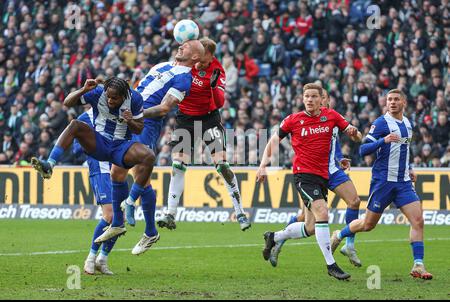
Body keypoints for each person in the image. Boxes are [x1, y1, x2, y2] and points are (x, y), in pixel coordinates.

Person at [95, 39, 205, 256]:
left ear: (195, 57)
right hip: (128, 118)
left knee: (138, 170)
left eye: (187, 45)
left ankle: (130, 208)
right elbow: (139, 92)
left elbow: (164, 108)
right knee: (119, 171)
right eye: (181, 43)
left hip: (146, 122)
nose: (181, 45)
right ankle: (143, 227)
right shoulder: (160, 66)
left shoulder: (185, 79)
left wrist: (138, 115)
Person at [31, 76, 155, 250]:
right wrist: (83, 90)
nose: (110, 100)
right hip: (99, 143)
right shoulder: (98, 92)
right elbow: (67, 103)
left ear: (124, 95)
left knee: (149, 156)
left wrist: (130, 120)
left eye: (115, 98)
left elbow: (139, 128)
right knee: (75, 124)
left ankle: (130, 201)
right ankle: (50, 164)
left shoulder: (135, 99)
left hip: (121, 146)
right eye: (108, 97)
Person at [256, 83, 361, 280]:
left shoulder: (331, 116)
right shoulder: (293, 120)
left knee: (311, 227)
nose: (310, 100)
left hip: (324, 175)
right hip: (303, 175)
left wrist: (355, 134)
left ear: (322, 99)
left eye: (314, 96)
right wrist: (263, 165)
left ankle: (275, 237)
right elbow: (273, 141)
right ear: (302, 99)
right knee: (323, 213)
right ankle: (331, 265)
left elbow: (352, 133)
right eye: (307, 96)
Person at [330, 89, 433, 280]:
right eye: (389, 100)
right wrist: (382, 140)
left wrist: (409, 168)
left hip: (402, 183)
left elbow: (404, 149)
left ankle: (418, 264)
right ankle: (339, 234)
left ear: (404, 102)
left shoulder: (408, 124)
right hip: (383, 182)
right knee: (368, 225)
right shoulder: (381, 123)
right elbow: (363, 149)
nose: (392, 102)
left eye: (396, 99)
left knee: (418, 220)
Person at [154, 37, 251, 232]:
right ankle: (170, 213)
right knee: (178, 164)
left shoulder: (217, 70)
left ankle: (240, 211)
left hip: (208, 119)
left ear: (210, 56)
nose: (199, 63)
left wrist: (214, 87)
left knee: (222, 164)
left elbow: (221, 102)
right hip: (185, 118)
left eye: (203, 60)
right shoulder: (186, 64)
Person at [74, 110, 117, 275]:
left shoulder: (118, 112)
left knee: (119, 218)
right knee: (110, 215)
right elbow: (76, 149)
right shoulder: (85, 118)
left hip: (117, 169)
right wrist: (95, 142)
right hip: (100, 169)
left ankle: (102, 259)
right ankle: (90, 259)